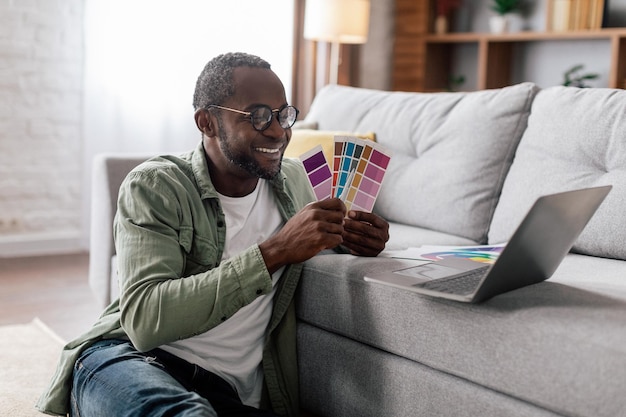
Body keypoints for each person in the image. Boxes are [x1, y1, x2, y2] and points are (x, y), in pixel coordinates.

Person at [37, 52, 389, 417]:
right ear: (207, 122)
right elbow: (144, 320)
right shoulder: (155, 186)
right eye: (258, 116)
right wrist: (274, 252)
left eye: (284, 114)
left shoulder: (295, 179)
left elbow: (321, 236)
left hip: (227, 391)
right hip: (132, 361)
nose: (278, 131)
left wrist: (354, 237)